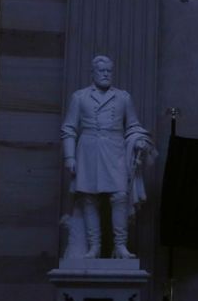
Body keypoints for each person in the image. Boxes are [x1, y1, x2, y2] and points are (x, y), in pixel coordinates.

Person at [61, 55, 156, 260]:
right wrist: (70, 157)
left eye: (109, 71)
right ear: (93, 73)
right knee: (89, 199)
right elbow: (69, 129)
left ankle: (120, 246)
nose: (106, 74)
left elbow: (132, 125)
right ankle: (94, 247)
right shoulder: (80, 97)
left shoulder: (123, 97)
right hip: (88, 152)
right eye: (102, 71)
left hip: (115, 152)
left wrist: (139, 140)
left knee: (120, 197)